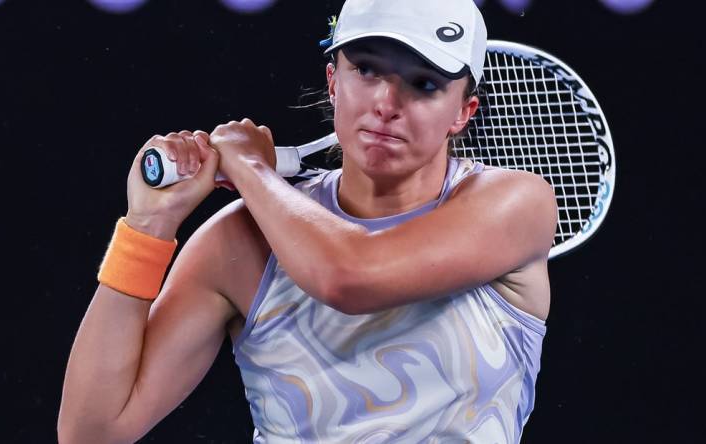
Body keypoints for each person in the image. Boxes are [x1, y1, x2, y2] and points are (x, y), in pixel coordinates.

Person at [58, 0, 557, 442]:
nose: (386, 105)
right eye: (366, 70)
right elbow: (90, 432)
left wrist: (251, 168)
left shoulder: (516, 204)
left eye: (424, 84)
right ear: (332, 81)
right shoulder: (240, 241)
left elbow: (349, 277)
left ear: (463, 112)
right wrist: (148, 226)